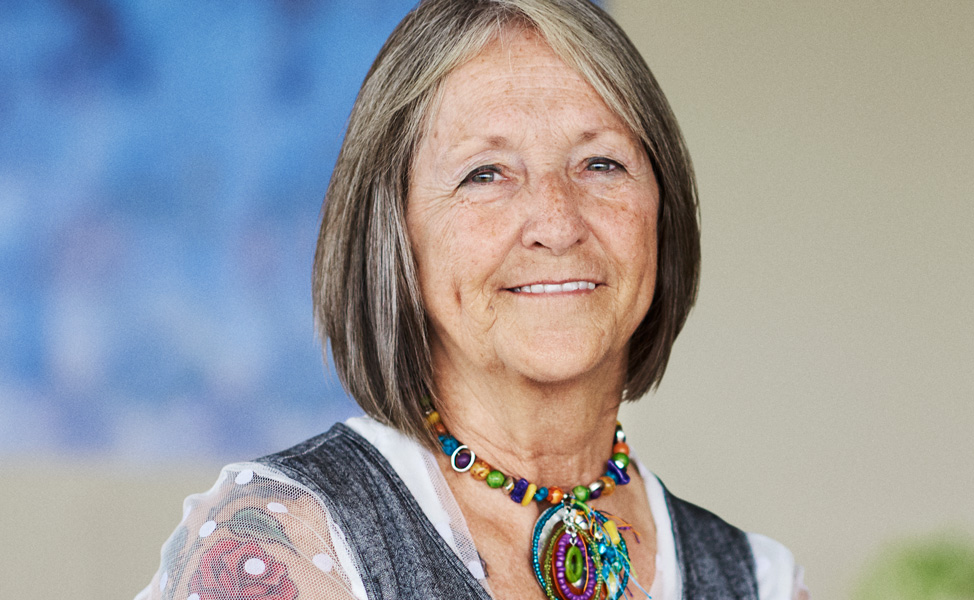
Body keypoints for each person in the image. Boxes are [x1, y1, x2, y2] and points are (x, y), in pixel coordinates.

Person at [135, 1, 805, 599]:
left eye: (601, 163)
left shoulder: (762, 580)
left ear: (661, 206)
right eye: (486, 173)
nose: (557, 222)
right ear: (396, 233)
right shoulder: (280, 543)